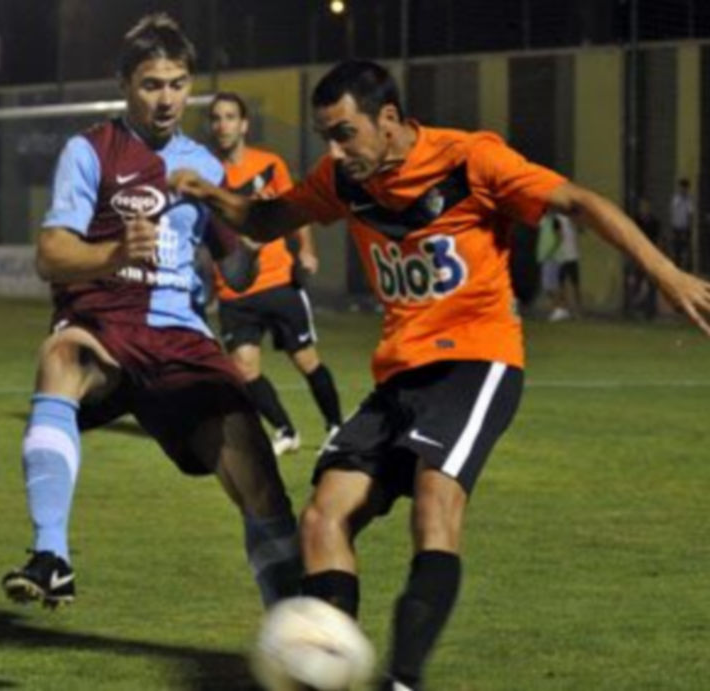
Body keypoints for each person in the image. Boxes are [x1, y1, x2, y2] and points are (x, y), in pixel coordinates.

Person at [170, 60, 710, 690]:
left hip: (477, 360)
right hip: (401, 371)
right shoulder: (344, 180)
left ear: (390, 119)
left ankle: (403, 680)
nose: (336, 152)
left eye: (345, 133)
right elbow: (267, 221)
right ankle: (327, 673)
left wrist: (668, 276)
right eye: (326, 138)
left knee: (434, 506)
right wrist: (213, 196)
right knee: (323, 516)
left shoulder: (469, 160)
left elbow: (580, 202)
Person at [1, 13, 301, 611]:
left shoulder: (205, 168)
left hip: (180, 340)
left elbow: (234, 270)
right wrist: (113, 253)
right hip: (106, 324)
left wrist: (252, 238)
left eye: (178, 83)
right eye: (151, 84)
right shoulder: (90, 151)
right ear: (124, 84)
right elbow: (50, 255)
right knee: (63, 354)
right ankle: (52, 555)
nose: (167, 99)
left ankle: (296, 626)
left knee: (260, 480)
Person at [208, 92, 343, 455]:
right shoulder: (207, 174)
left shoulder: (269, 164)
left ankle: (336, 428)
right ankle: (285, 431)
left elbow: (295, 209)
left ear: (244, 124)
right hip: (234, 291)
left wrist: (308, 250)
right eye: (217, 118)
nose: (223, 124)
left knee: (305, 360)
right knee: (244, 368)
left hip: (277, 281)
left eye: (230, 116)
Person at [626, 197, 661, 319]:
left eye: (646, 206)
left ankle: (650, 311)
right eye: (643, 206)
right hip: (638, 255)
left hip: (650, 255)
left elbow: (656, 239)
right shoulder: (636, 221)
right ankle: (632, 310)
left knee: (651, 284)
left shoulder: (655, 222)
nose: (644, 209)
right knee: (636, 282)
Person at [549, 212, 582, 321]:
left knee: (575, 284)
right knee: (561, 285)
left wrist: (575, 223)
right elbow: (557, 235)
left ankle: (578, 310)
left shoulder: (572, 218)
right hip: (562, 257)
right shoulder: (557, 219)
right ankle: (565, 309)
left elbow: (581, 230)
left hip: (573, 256)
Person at [669, 177, 694, 271]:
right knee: (676, 250)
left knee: (686, 251)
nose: (683, 190)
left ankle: (686, 270)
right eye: (682, 188)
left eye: (685, 188)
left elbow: (690, 214)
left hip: (685, 228)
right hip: (676, 228)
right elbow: (673, 213)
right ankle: (677, 268)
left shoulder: (689, 200)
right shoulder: (676, 199)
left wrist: (689, 229)